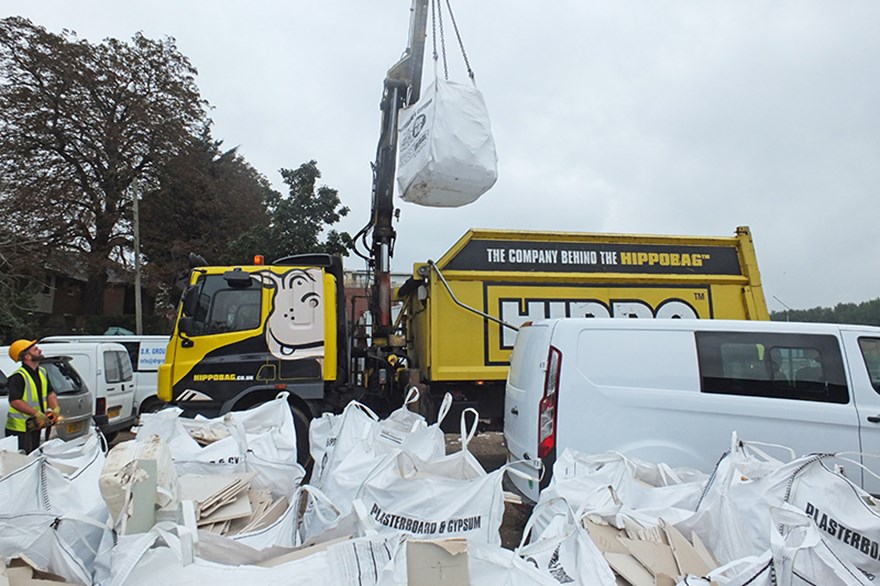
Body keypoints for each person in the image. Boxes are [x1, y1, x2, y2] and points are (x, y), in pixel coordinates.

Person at [5, 339, 60, 454]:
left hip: (35, 426)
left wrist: (55, 409)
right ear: (28, 357)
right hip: (19, 429)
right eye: (35, 349)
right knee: (22, 462)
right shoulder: (18, 377)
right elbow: (15, 401)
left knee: (35, 456)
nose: (40, 350)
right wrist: (37, 413)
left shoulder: (42, 372)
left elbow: (50, 392)